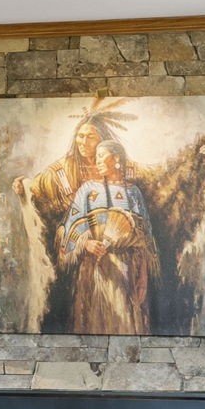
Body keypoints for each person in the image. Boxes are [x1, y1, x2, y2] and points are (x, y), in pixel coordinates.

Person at [58, 140, 158, 333]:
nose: (97, 161)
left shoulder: (133, 192)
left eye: (102, 156)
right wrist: (86, 244)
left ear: (117, 158)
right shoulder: (87, 190)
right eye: (95, 158)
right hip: (94, 266)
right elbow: (71, 225)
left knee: (125, 320)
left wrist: (142, 275)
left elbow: (145, 237)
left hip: (126, 269)